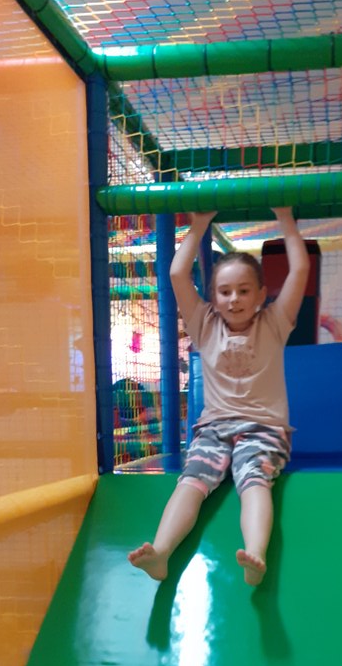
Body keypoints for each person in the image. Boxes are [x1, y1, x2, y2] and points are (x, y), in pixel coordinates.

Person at [128, 205, 309, 586]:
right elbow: (177, 274)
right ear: (212, 297)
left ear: (261, 295)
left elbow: (300, 271)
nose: (234, 299)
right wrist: (198, 225)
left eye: (244, 290)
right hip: (213, 428)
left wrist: (285, 219)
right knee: (192, 479)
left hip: (263, 429)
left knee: (253, 478)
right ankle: (161, 552)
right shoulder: (204, 324)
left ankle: (255, 553)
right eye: (224, 292)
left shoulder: (274, 323)